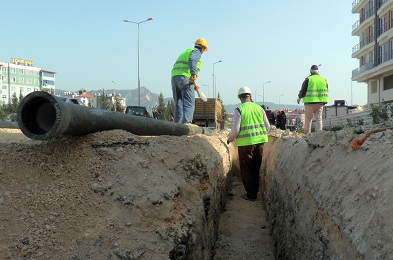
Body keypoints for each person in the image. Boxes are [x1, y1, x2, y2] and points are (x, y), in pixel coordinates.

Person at [227, 87, 270, 201]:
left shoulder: (239, 109)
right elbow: (268, 126)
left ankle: (251, 194)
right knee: (256, 167)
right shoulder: (259, 108)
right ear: (250, 96)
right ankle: (256, 190)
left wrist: (229, 140)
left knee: (247, 169)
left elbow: (235, 130)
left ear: (239, 97)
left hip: (245, 144)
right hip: (260, 143)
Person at [171, 38, 208, 124]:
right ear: (202, 48)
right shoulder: (196, 52)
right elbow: (192, 60)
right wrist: (194, 74)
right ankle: (186, 125)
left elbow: (184, 68)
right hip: (185, 78)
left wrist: (194, 84)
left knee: (178, 103)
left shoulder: (187, 51)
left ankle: (177, 125)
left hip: (175, 78)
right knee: (189, 103)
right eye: (204, 50)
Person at [297, 64, 329, 135]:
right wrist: (324, 102)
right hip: (320, 103)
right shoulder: (323, 80)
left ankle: (307, 134)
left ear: (310, 71)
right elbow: (326, 91)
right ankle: (319, 134)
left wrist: (299, 97)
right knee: (319, 119)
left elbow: (303, 90)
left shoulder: (308, 79)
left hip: (309, 103)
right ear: (318, 71)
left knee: (308, 119)